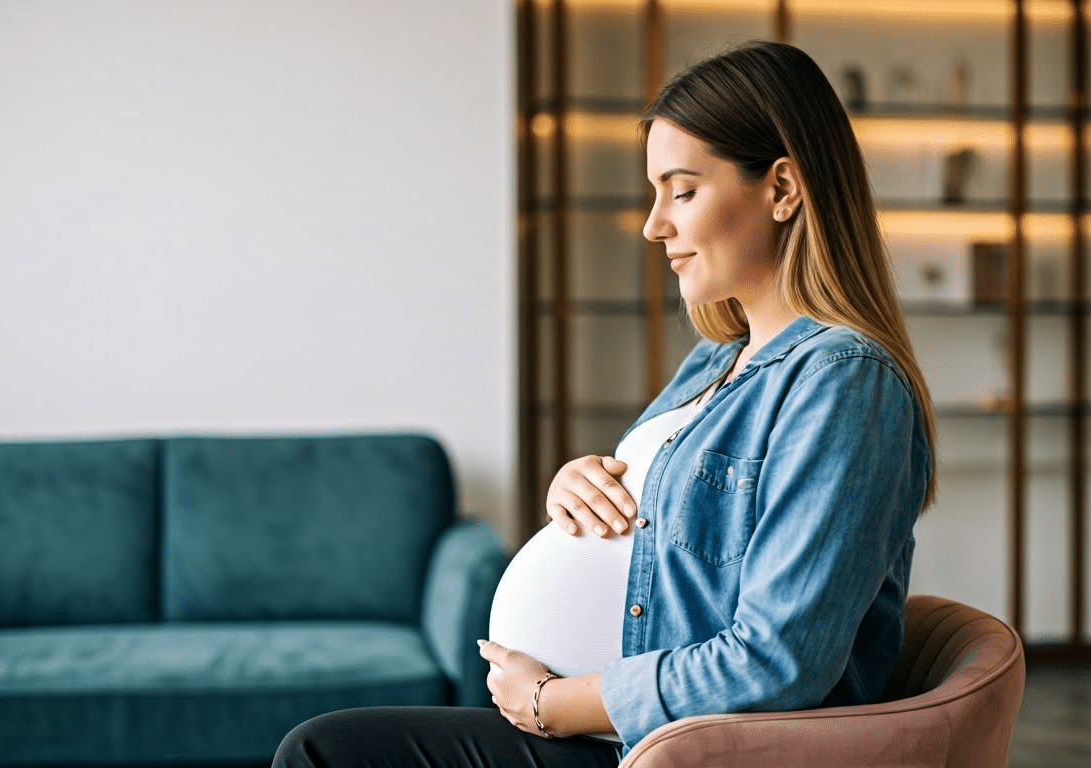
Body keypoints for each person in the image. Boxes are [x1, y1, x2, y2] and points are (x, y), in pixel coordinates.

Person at [271, 39, 937, 768]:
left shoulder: (842, 379)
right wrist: (576, 484)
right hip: (604, 731)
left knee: (326, 755)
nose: (654, 225)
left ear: (781, 189)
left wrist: (550, 703)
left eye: (681, 191)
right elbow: (650, 535)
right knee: (326, 746)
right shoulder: (718, 359)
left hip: (672, 748)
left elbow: (777, 662)